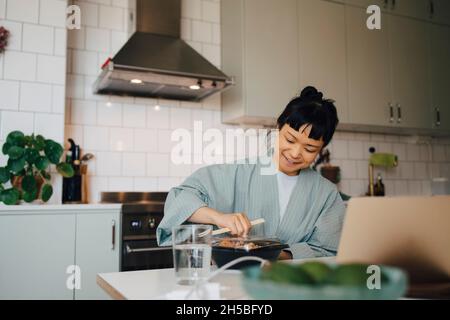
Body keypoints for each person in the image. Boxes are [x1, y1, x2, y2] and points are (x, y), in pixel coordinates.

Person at [157, 86, 345, 260]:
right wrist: (219, 218)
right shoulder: (238, 172)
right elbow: (181, 197)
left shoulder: (326, 194)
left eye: (310, 148)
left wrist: (274, 254)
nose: (295, 153)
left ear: (322, 148)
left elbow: (328, 250)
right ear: (279, 128)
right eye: (290, 139)